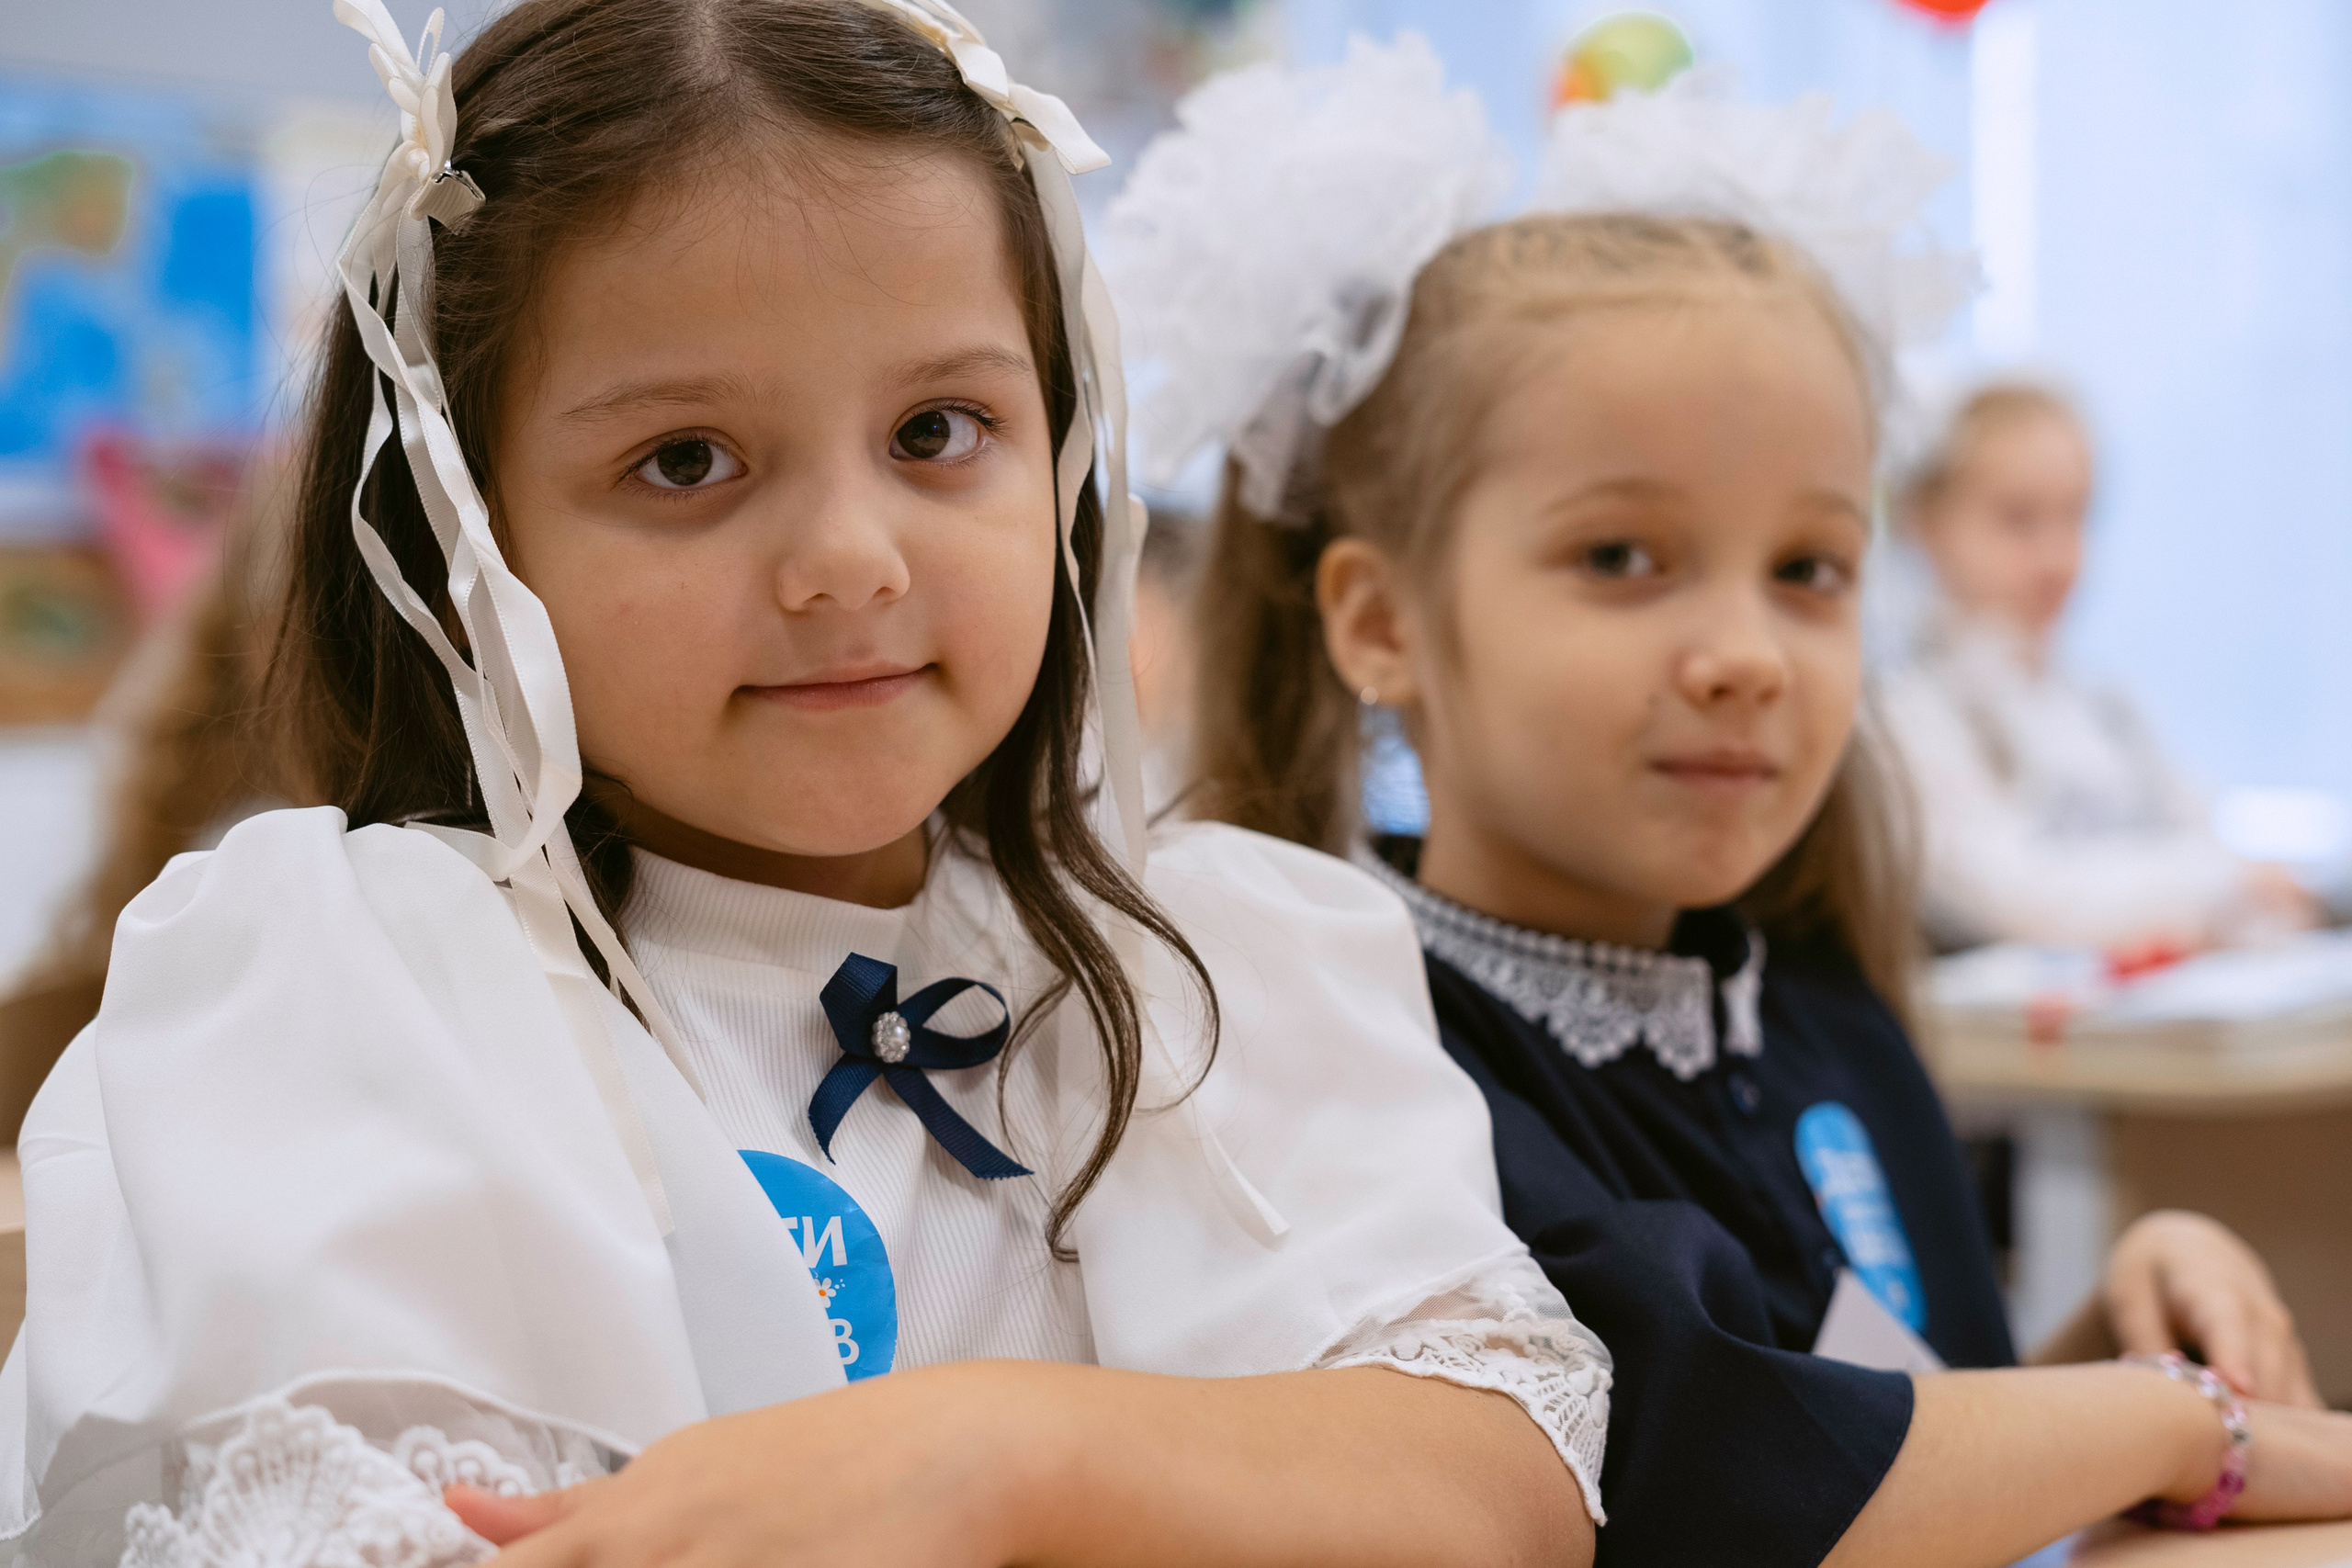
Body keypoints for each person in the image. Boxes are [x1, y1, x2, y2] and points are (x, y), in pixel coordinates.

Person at [0, 5, 1613, 1565]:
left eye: (938, 428)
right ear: (467, 532)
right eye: (685, 460)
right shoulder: (355, 992)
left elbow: (1491, 1496)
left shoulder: (1211, 960)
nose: (850, 561)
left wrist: (987, 1459)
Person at [1121, 48, 2352, 1568]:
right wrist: (2176, 1422)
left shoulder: (1815, 1003)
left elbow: (1921, 1429)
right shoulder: (1341, 1035)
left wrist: (2125, 1308)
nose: (1747, 657)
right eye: (1623, 558)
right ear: (1380, 620)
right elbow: (1717, 1471)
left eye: (1809, 569)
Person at [1885, 383, 2318, 951]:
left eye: (2076, 516)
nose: (2057, 556)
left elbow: (2218, 860)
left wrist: (2242, 897)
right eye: (2019, 519)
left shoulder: (2108, 709)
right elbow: (2016, 900)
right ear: (1926, 525)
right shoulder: (1907, 714)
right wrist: (2219, 887)